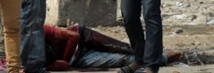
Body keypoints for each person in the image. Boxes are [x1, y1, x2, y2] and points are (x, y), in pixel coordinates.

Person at [43, 24, 182, 70]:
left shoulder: (40, 32)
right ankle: (161, 59)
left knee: (124, 48)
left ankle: (154, 56)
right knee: (121, 60)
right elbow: (64, 65)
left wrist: (69, 54)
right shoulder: (35, 63)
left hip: (84, 37)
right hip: (79, 58)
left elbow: (74, 36)